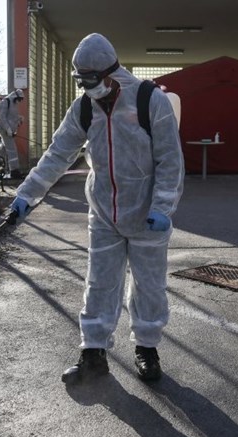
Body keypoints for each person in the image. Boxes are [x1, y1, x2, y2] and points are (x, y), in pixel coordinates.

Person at [10, 33, 184, 384]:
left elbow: (170, 160)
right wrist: (28, 194)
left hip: (147, 214)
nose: (87, 87)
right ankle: (93, 353)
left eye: (91, 79)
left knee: (149, 286)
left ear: (110, 72)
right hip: (104, 211)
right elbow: (58, 153)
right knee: (100, 283)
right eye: (81, 81)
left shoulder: (150, 101)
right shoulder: (85, 108)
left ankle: (147, 349)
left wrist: (163, 207)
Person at [0, 88, 24, 179]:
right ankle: (14, 171)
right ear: (15, 96)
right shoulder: (5, 101)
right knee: (12, 149)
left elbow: (11, 116)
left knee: (3, 147)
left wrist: (19, 119)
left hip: (9, 130)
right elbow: (2, 117)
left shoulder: (13, 103)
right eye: (19, 99)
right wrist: (8, 130)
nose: (19, 101)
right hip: (4, 129)